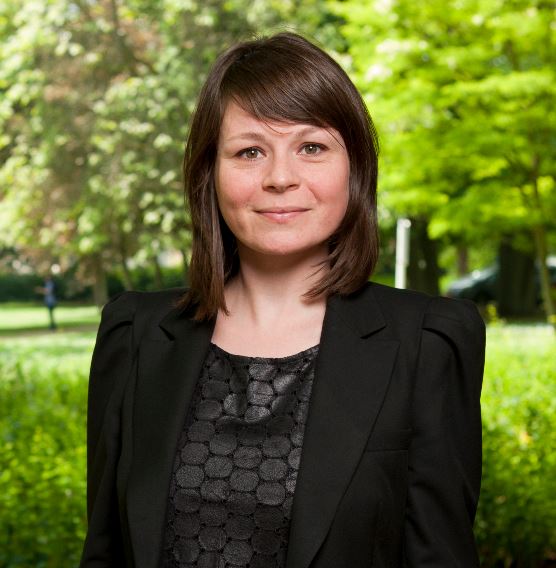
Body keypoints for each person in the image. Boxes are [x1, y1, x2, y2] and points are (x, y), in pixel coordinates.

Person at [80, 32, 486, 568]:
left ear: (355, 167)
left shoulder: (427, 342)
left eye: (311, 147)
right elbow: (105, 549)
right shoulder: (134, 335)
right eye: (249, 151)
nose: (279, 178)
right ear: (209, 173)